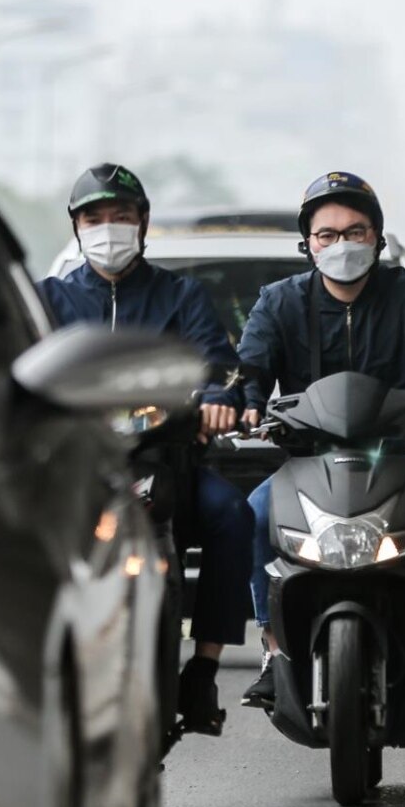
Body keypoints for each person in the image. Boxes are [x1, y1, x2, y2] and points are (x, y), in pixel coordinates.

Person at [234, 171, 405, 710]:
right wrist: (247, 402)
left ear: (377, 239)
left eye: (355, 231)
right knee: (252, 515)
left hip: (391, 454)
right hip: (304, 460)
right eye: (328, 234)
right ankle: (273, 648)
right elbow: (250, 365)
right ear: (308, 244)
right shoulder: (279, 302)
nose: (342, 244)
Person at [37, 163, 252, 737]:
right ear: (77, 228)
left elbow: (221, 366)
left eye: (121, 217)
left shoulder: (180, 296)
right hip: (77, 470)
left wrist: (215, 399)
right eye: (95, 218)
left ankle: (203, 669)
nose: (108, 229)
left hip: (166, 463)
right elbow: (18, 367)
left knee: (234, 515)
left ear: (142, 223)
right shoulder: (48, 300)